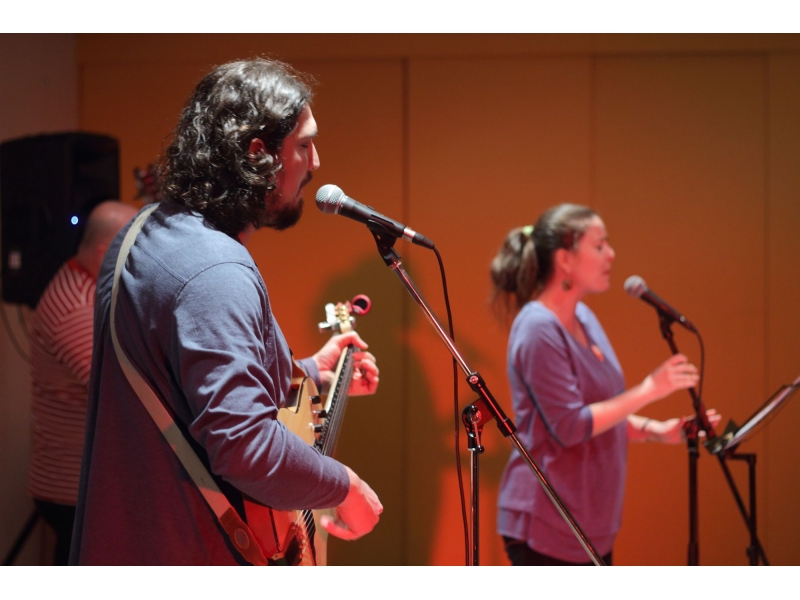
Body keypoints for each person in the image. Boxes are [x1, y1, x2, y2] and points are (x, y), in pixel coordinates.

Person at [70, 59, 382, 565]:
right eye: (304, 145)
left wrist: (310, 372)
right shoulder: (216, 270)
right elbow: (245, 446)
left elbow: (184, 379)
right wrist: (344, 486)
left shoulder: (145, 231)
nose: (316, 162)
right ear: (258, 154)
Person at [489, 204, 719, 566]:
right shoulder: (538, 327)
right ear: (565, 259)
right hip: (547, 521)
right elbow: (569, 425)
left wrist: (656, 431)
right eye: (599, 245)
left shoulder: (583, 316)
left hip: (590, 520)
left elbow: (599, 414)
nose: (611, 254)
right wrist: (650, 388)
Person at [28, 200, 138, 565]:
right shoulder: (76, 307)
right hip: (72, 489)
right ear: (106, 253)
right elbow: (116, 391)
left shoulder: (84, 281)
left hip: (80, 484)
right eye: (132, 249)